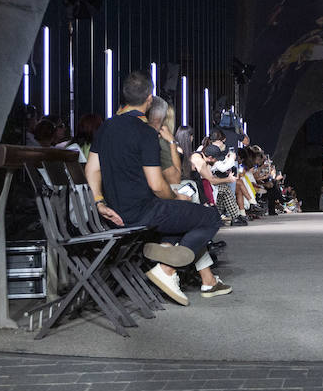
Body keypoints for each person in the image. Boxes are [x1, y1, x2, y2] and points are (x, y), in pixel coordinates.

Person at [86, 71, 230, 305]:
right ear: (149, 98)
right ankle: (167, 269)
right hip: (143, 212)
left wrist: (99, 202)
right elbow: (156, 184)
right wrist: (177, 197)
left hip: (115, 211)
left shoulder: (106, 127)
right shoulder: (145, 133)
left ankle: (166, 246)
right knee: (210, 216)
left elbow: (92, 169)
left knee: (181, 219)